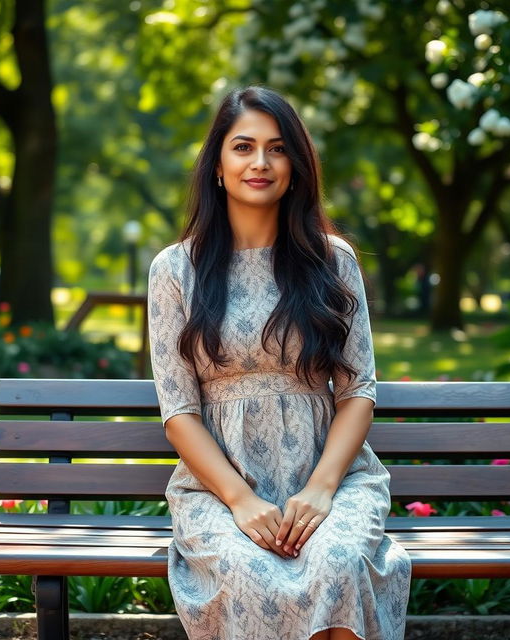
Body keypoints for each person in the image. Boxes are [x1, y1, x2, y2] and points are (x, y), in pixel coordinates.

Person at [147, 85, 412, 640]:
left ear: (296, 164)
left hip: (331, 479)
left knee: (337, 563)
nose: (260, 163)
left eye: (277, 148)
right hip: (221, 488)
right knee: (247, 571)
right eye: (243, 147)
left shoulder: (331, 260)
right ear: (217, 165)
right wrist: (241, 501)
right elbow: (179, 410)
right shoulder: (175, 271)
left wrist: (321, 489)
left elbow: (359, 388)